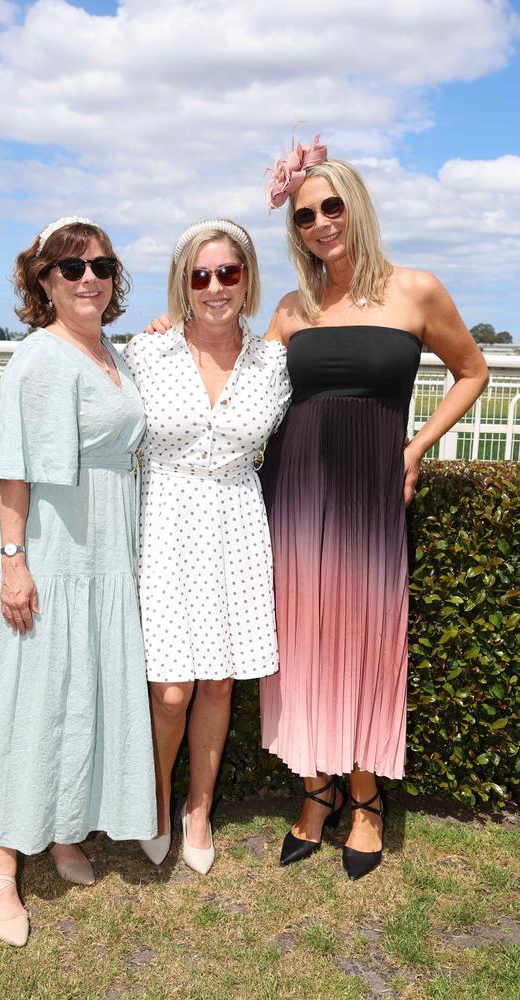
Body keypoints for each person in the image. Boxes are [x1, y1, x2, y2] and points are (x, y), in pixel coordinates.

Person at [260, 135, 489, 879]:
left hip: (369, 490)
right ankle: (315, 787)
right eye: (304, 215)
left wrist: (415, 449)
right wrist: (175, 331)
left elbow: (471, 371)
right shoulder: (294, 308)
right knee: (297, 643)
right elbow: (243, 383)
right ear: (294, 230)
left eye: (331, 206)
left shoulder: (416, 289)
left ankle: (364, 799)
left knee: (363, 638)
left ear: (356, 206)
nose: (321, 222)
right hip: (295, 489)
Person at [0, 217, 156, 945]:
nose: (88, 278)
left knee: (85, 694)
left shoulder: (113, 354)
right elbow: (15, 469)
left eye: (100, 265)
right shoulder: (39, 359)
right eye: (70, 270)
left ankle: (64, 827)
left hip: (103, 554)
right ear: (42, 281)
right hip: (51, 554)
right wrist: (13, 563)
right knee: (36, 700)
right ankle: (0, 862)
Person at [123, 220, 291, 874]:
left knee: (218, 681)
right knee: (170, 688)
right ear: (182, 284)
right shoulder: (146, 353)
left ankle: (200, 806)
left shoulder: (273, 360)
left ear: (247, 278)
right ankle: (157, 800)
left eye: (228, 272)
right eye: (200, 275)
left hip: (236, 522)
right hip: (165, 520)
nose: (215, 286)